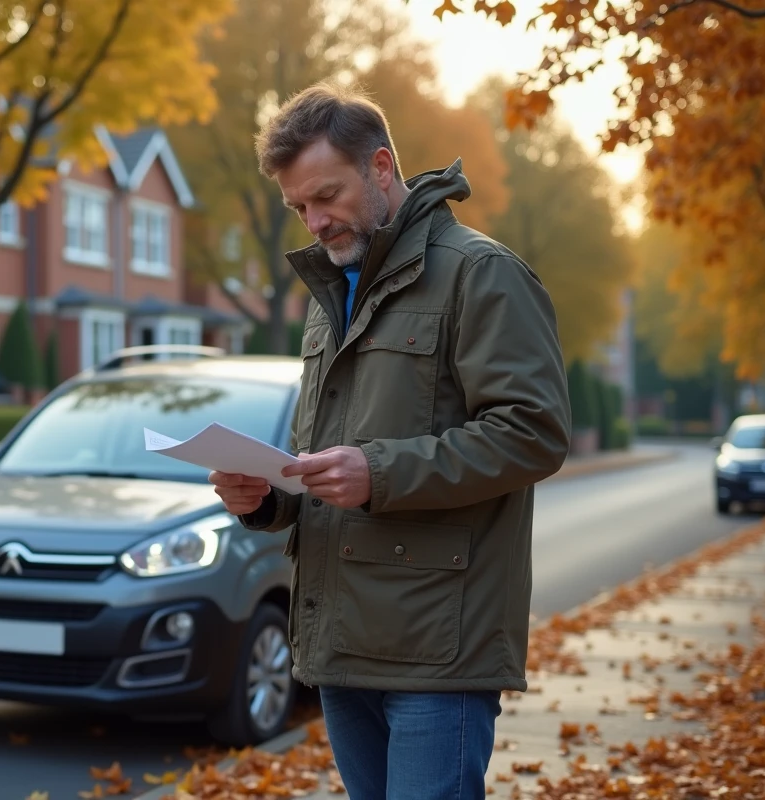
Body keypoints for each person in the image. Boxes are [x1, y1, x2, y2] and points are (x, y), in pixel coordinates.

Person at [209, 80, 572, 799]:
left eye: (326, 196)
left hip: (439, 649)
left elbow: (535, 432)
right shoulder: (329, 299)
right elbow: (319, 464)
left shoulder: (481, 273)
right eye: (299, 207)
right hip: (340, 642)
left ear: (380, 169)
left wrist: (379, 472)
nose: (314, 221)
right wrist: (264, 497)